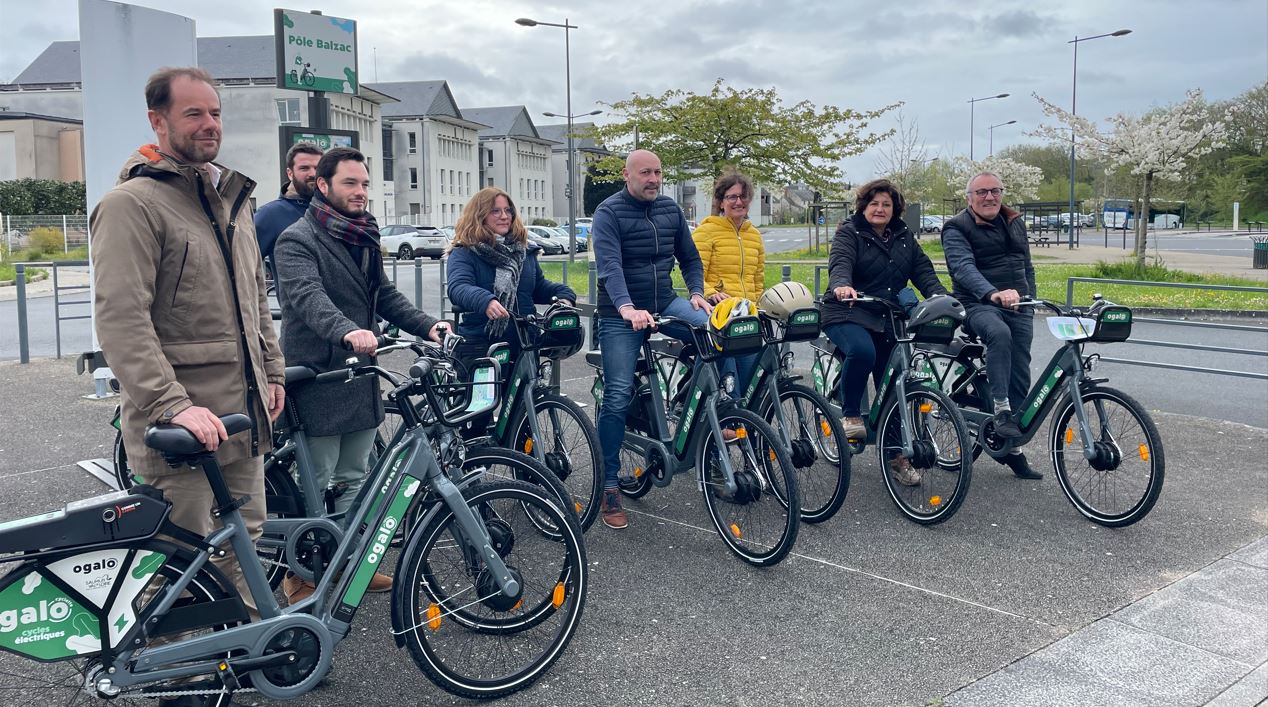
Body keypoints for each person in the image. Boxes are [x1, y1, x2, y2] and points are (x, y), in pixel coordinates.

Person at [91, 68, 286, 626]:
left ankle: (238, 656)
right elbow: (121, 320)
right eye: (193, 113)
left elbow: (255, 296)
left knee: (243, 545)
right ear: (158, 121)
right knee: (178, 562)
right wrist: (171, 404)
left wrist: (272, 370)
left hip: (240, 417)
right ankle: (172, 665)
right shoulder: (132, 205)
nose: (209, 124)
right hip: (182, 426)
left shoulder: (231, 200)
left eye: (215, 113)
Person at [274, 146, 448, 602]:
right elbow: (308, 297)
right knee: (316, 480)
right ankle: (301, 574)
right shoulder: (297, 239)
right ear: (323, 185)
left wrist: (428, 325)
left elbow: (384, 296)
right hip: (318, 376)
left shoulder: (363, 235)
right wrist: (347, 330)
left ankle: (351, 564)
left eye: (365, 183)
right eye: (350, 183)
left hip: (358, 374)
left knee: (355, 477)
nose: (361, 192)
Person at [592, 149, 712, 529]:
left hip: (666, 302)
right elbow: (610, 267)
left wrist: (696, 292)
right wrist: (627, 308)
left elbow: (690, 258)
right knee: (616, 394)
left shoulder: (670, 210)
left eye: (658, 172)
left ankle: (698, 415)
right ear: (626, 175)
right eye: (646, 172)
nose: (654, 179)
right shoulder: (608, 213)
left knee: (716, 336)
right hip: (620, 314)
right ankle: (609, 485)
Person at [822, 178, 947, 486]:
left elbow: (923, 271)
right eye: (874, 203)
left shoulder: (904, 237)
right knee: (862, 351)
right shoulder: (849, 233)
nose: (880, 209)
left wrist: (941, 297)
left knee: (893, 385)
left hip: (886, 317)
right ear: (863, 206)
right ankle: (851, 414)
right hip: (847, 310)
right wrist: (841, 285)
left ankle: (896, 457)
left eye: (886, 204)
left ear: (895, 209)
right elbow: (840, 262)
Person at [941, 171, 1042, 480]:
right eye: (981, 192)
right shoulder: (956, 227)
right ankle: (1000, 409)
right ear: (969, 198)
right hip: (977, 303)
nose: (989, 197)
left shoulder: (1014, 222)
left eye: (995, 191)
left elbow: (1026, 265)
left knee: (1020, 373)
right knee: (999, 333)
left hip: (1018, 305)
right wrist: (992, 293)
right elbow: (962, 268)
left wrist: (1031, 298)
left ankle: (1012, 448)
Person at [446, 186, 576, 370]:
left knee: (533, 389)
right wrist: (486, 301)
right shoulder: (465, 251)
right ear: (479, 215)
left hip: (525, 342)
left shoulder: (523, 251)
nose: (504, 216)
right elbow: (458, 287)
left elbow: (537, 287)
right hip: (483, 344)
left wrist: (564, 295)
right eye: (495, 211)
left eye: (508, 210)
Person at [691, 169, 765, 388]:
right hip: (719, 315)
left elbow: (757, 277)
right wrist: (710, 293)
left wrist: (758, 305)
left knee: (750, 381)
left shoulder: (754, 235)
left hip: (747, 316)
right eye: (732, 197)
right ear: (721, 202)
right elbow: (694, 273)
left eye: (743, 196)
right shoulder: (706, 232)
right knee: (729, 383)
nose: (738, 202)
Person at [255, 142, 322, 276]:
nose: (313, 174)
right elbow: (243, 266)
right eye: (304, 168)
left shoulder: (336, 210)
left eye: (317, 168)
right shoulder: (270, 215)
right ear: (290, 173)